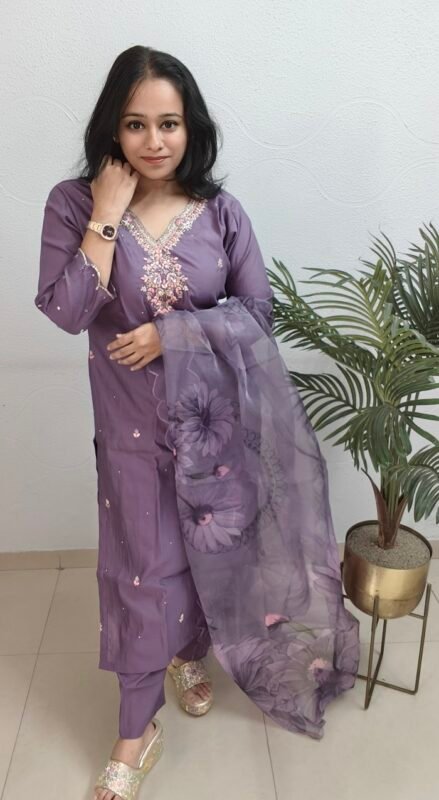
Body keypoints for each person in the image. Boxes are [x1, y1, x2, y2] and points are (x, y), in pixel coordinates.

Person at [35, 46, 360, 800]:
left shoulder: (220, 212)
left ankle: (189, 653)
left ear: (192, 127)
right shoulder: (73, 204)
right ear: (112, 128)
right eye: (136, 124)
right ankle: (135, 731)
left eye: (170, 123)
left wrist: (173, 333)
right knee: (142, 572)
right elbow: (67, 310)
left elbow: (258, 314)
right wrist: (106, 216)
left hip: (214, 432)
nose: (154, 141)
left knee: (208, 556)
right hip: (132, 435)